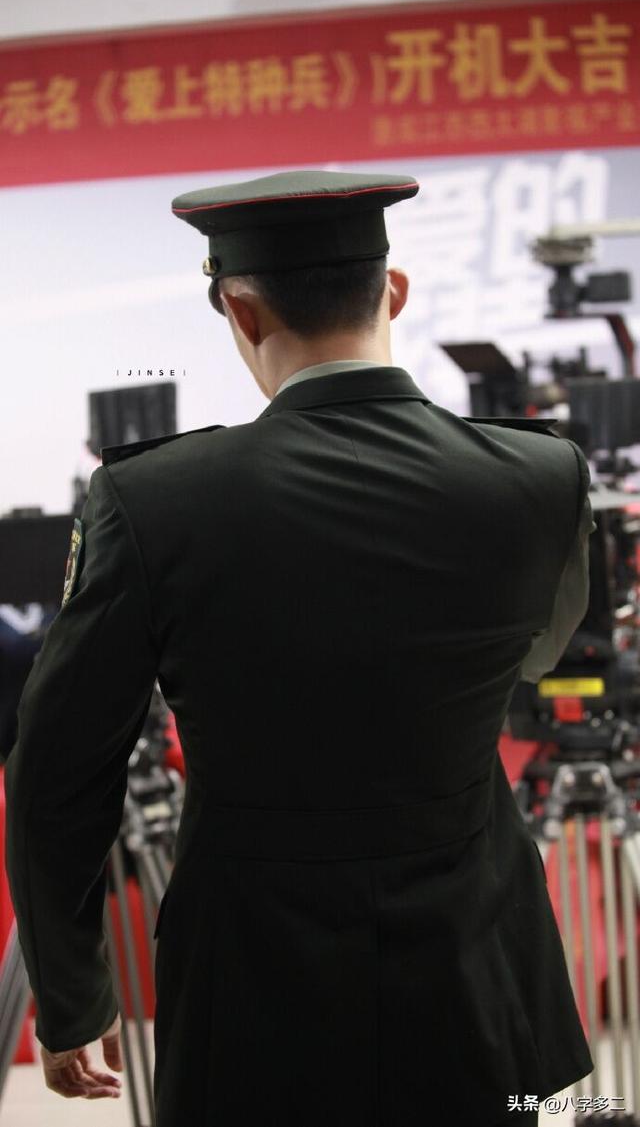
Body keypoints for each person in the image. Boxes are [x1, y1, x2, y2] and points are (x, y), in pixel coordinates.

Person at [3, 169, 595, 1126]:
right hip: (479, 971)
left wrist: (73, 993)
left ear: (239, 309)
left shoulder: (152, 499)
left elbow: (57, 771)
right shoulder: (540, 474)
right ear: (393, 291)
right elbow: (537, 657)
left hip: (251, 988)